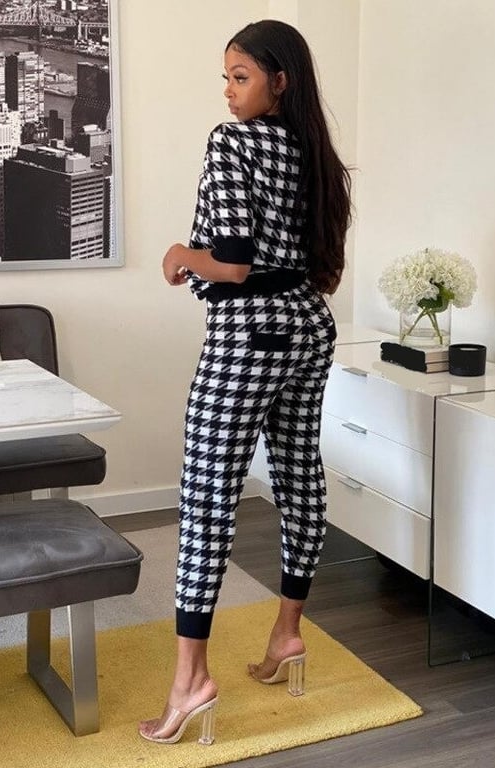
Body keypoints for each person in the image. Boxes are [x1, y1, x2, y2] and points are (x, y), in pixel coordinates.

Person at [139, 19, 352, 745]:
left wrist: (180, 254)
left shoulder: (232, 143)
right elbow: (323, 269)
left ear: (278, 81)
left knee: (207, 497)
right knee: (299, 473)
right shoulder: (315, 156)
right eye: (226, 78)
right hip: (309, 325)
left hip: (247, 337)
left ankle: (189, 682)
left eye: (241, 76)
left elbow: (229, 262)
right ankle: (287, 635)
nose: (229, 92)